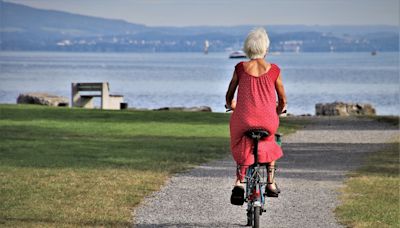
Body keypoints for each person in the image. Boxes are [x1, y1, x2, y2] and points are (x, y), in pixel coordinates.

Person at [225, 27, 287, 203]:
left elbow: (229, 94)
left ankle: (239, 182)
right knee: (269, 140)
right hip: (267, 120)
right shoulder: (274, 70)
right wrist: (279, 109)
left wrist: (232, 105)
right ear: (265, 49)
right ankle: (271, 183)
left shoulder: (240, 68)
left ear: (247, 48)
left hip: (243, 119)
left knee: (241, 141)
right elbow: (282, 98)